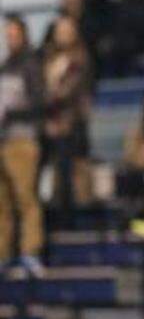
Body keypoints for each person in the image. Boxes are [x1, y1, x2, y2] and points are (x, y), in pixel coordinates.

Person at [0, 14, 46, 274]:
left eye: (14, 34)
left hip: (22, 140)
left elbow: (40, 104)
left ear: (24, 35)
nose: (10, 39)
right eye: (7, 35)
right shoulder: (5, 66)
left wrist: (11, 114)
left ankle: (31, 251)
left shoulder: (31, 64)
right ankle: (3, 253)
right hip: (2, 140)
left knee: (25, 197)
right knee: (2, 201)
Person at [41, 15, 94, 221]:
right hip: (48, 123)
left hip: (72, 125)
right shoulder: (47, 58)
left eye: (67, 30)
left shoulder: (81, 58)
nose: (63, 34)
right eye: (60, 30)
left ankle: (70, 218)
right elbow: (40, 91)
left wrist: (52, 84)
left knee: (68, 174)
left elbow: (70, 91)